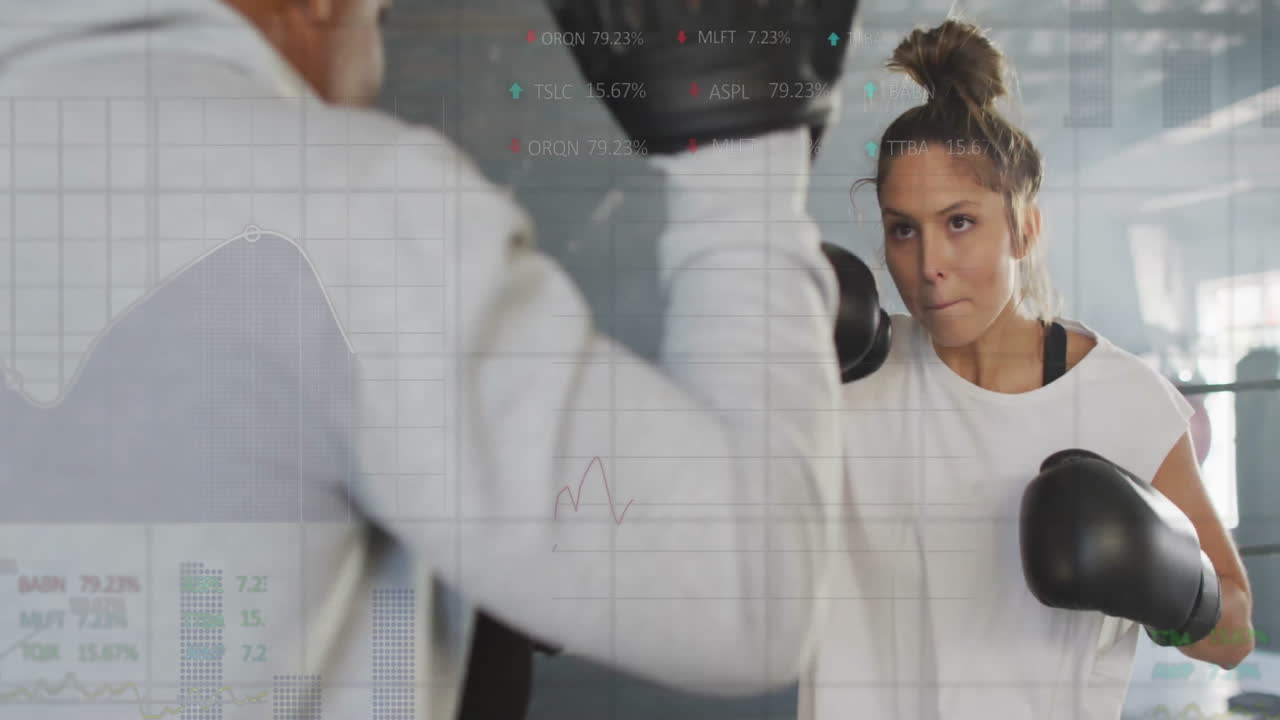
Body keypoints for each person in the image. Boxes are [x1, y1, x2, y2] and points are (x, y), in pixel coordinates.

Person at [0, 0, 867, 718]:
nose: (373, 66)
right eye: (376, 17)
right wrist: (741, 158)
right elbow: (749, 596)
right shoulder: (337, 206)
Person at [799, 18, 1255, 720]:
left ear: (1023, 227)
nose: (929, 267)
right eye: (903, 229)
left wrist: (1166, 586)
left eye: (959, 222)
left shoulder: (1123, 402)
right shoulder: (848, 375)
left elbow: (1234, 637)